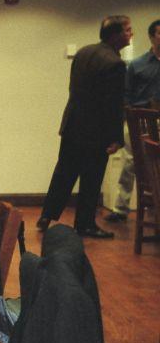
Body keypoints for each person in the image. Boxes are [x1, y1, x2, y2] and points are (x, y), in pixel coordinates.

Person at [40, 15, 132, 238]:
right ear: (115, 35)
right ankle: (85, 224)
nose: (131, 34)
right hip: (95, 130)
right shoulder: (115, 63)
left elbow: (74, 88)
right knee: (91, 178)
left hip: (73, 123)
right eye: (127, 30)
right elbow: (113, 104)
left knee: (64, 172)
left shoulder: (84, 52)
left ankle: (47, 215)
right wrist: (116, 137)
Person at [108, 17, 160, 221]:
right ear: (152, 37)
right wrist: (126, 119)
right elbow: (126, 95)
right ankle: (120, 209)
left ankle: (155, 207)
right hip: (139, 120)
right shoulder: (137, 65)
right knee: (131, 163)